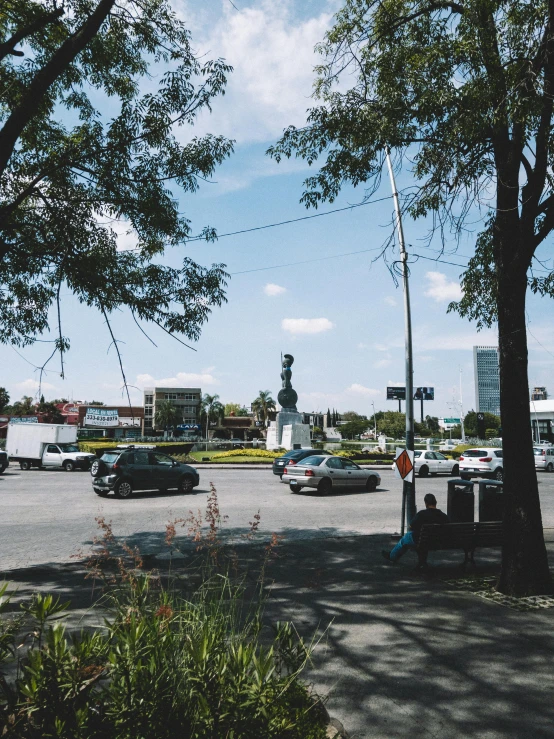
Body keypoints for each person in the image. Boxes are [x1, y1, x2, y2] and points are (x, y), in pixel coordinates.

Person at [382, 493, 449, 563]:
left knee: (407, 537)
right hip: (439, 542)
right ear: (436, 503)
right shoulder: (443, 515)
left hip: (422, 541)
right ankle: (421, 563)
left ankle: (392, 556)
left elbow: (411, 526)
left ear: (426, 503)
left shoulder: (422, 514)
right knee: (413, 537)